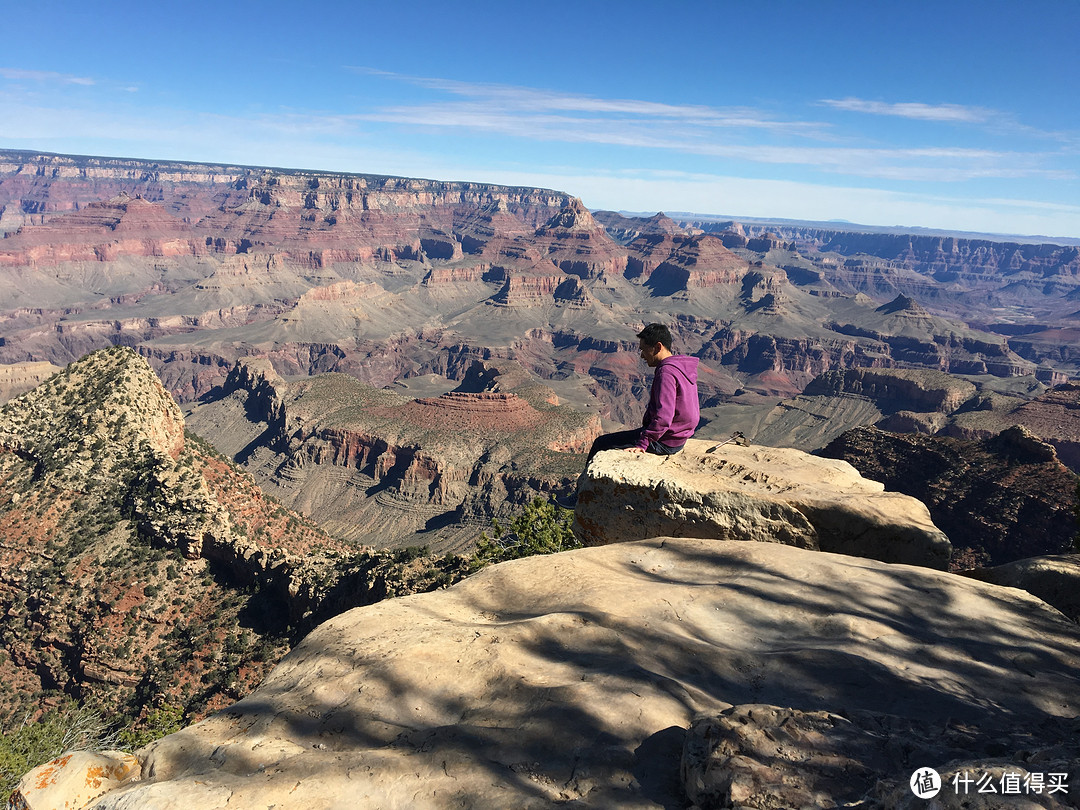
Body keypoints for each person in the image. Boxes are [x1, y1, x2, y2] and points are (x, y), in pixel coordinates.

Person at [562, 323, 700, 505]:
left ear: (658, 346)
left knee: (601, 443)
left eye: (644, 350)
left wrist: (643, 443)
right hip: (679, 437)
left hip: (665, 442)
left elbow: (663, 417)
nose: (641, 355)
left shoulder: (666, 372)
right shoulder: (680, 366)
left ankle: (580, 498)